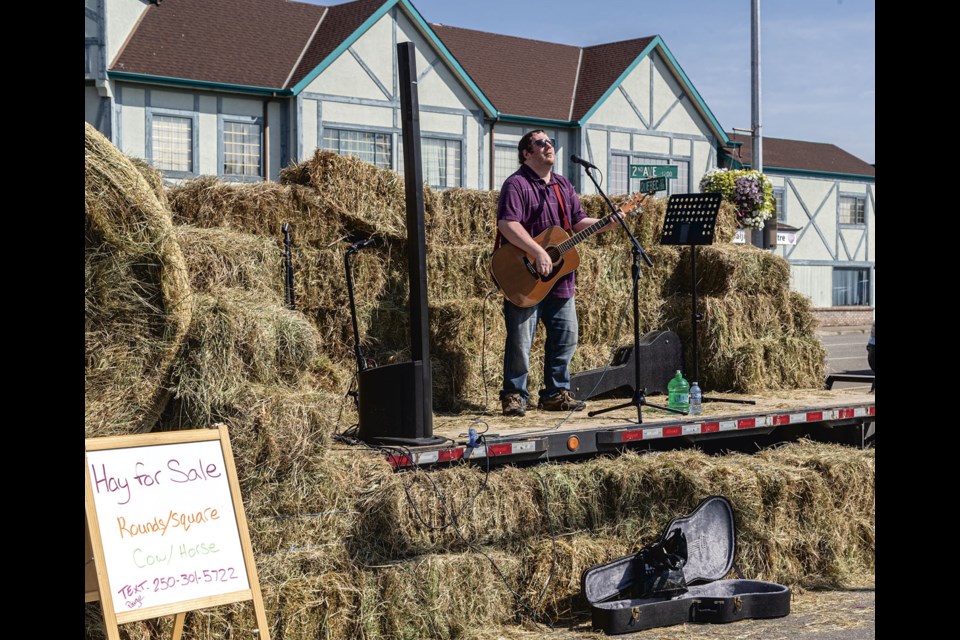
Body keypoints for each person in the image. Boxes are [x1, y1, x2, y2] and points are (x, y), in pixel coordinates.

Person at [496, 130, 621, 416]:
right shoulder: (516, 184)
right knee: (520, 341)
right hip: (524, 277)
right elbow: (508, 224)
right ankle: (514, 395)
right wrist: (539, 251)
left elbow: (578, 222)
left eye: (551, 143)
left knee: (566, 338)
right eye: (541, 143)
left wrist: (606, 223)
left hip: (560, 280)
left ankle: (555, 393)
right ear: (526, 153)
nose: (549, 146)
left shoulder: (562, 185)